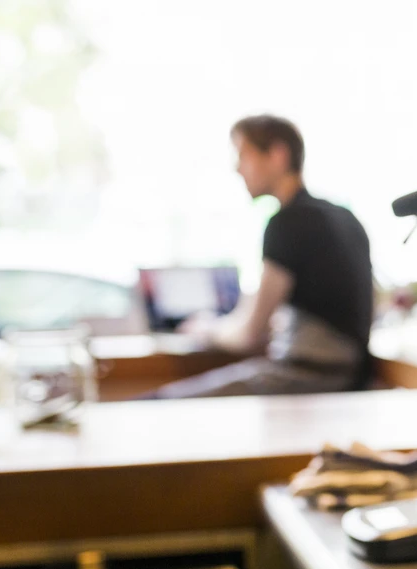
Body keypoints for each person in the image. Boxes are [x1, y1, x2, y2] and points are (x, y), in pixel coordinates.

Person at [150, 115, 374, 398]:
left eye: (243, 154)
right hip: (348, 376)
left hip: (311, 376)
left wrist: (205, 329)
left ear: (278, 155)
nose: (237, 168)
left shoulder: (288, 222)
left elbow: (248, 334)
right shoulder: (342, 216)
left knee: (157, 403)